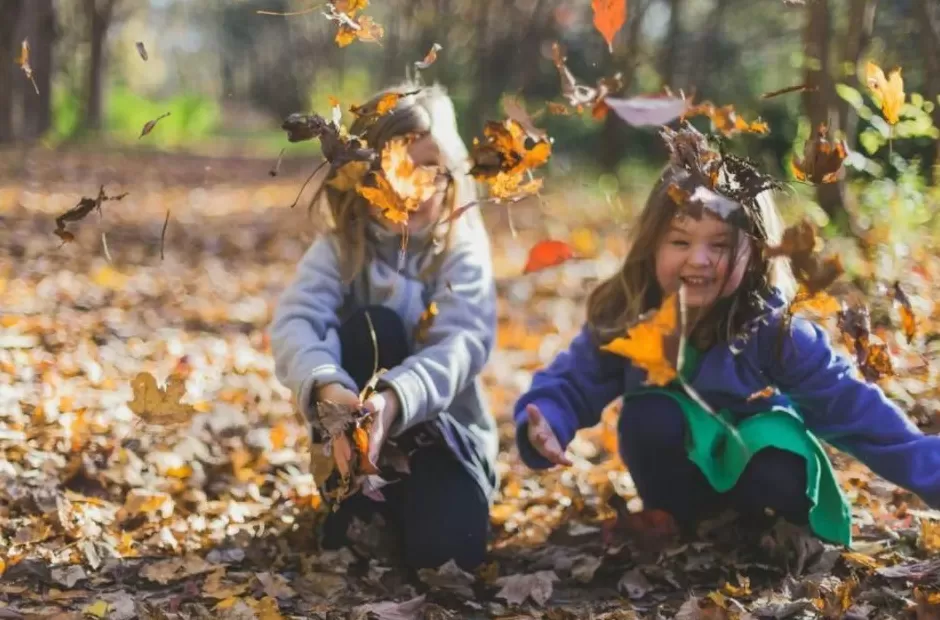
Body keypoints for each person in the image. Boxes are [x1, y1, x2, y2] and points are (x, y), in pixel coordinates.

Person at [513, 124, 940, 546]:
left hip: (764, 479)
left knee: (774, 447)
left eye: (719, 245)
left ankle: (764, 530)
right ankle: (686, 523)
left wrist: (931, 471)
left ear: (754, 254)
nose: (698, 259)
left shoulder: (774, 328)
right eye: (680, 241)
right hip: (678, 485)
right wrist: (548, 419)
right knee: (651, 415)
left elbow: (852, 407)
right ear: (653, 245)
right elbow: (573, 380)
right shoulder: (629, 314)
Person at [270, 83, 497, 570]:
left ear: (450, 174)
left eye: (426, 168)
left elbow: (462, 344)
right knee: (374, 326)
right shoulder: (341, 249)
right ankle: (354, 500)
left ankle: (424, 510)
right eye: (391, 167)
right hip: (351, 443)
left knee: (449, 559)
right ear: (360, 176)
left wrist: (393, 401)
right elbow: (295, 321)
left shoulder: (460, 251)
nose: (409, 186)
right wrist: (327, 386)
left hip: (444, 444)